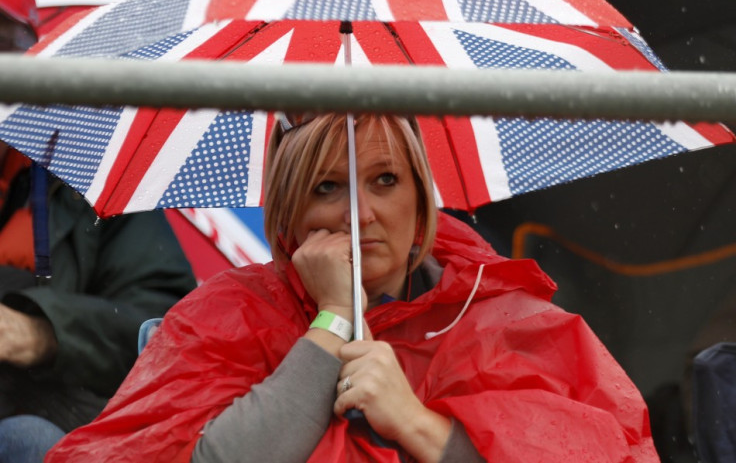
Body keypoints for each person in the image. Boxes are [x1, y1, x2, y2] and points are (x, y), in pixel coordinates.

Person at [46, 114, 658, 462]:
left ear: (422, 202)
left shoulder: (505, 320)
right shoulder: (222, 314)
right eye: (325, 187)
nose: (359, 213)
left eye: (385, 179)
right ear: (286, 215)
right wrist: (333, 321)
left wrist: (416, 423)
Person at [0, 0, 198, 463]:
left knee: (28, 440)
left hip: (46, 426)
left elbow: (167, 331)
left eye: (2, 47)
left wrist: (42, 333)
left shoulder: (89, 184)